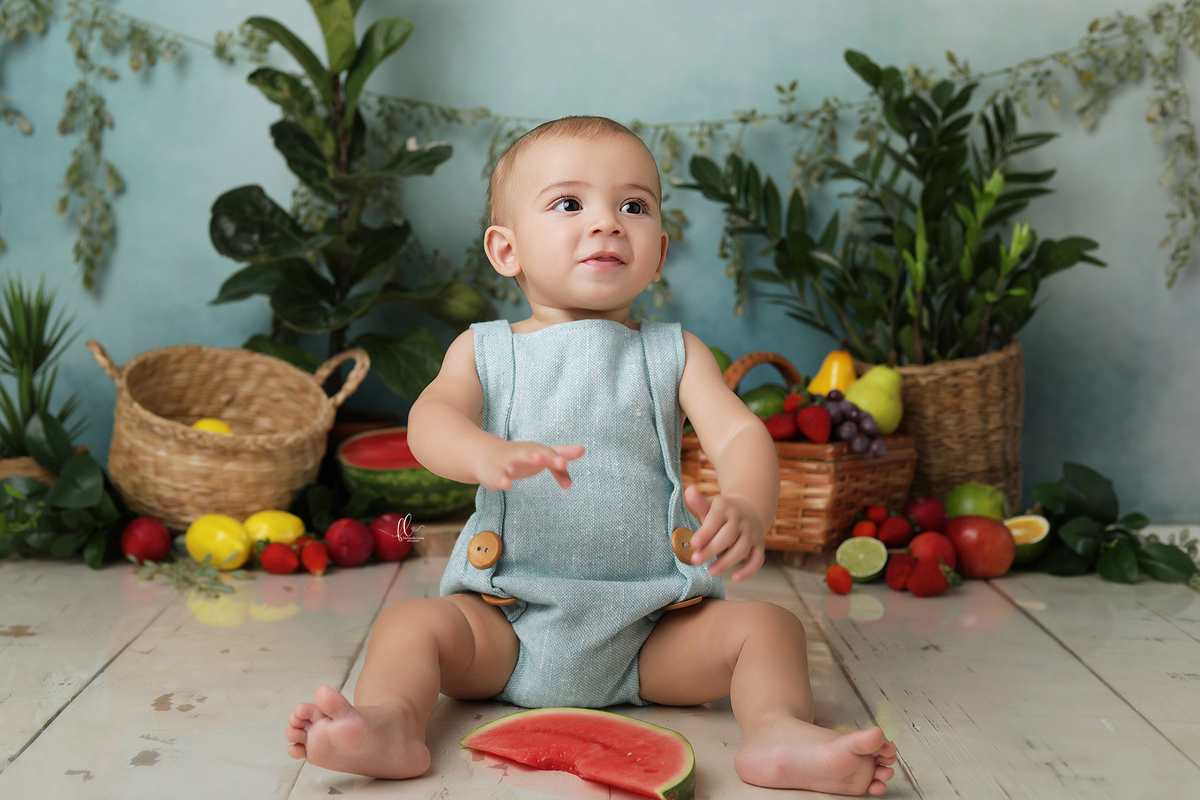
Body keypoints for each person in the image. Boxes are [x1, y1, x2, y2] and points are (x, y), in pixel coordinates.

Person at [285, 115, 898, 795]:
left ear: (659, 252)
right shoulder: (485, 350)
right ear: (505, 249)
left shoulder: (675, 351)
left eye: (632, 205)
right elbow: (430, 420)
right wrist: (480, 452)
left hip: (653, 630)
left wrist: (750, 506)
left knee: (768, 627)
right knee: (411, 623)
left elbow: (738, 436)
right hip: (506, 623)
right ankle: (394, 721)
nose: (607, 223)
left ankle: (777, 732)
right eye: (569, 204)